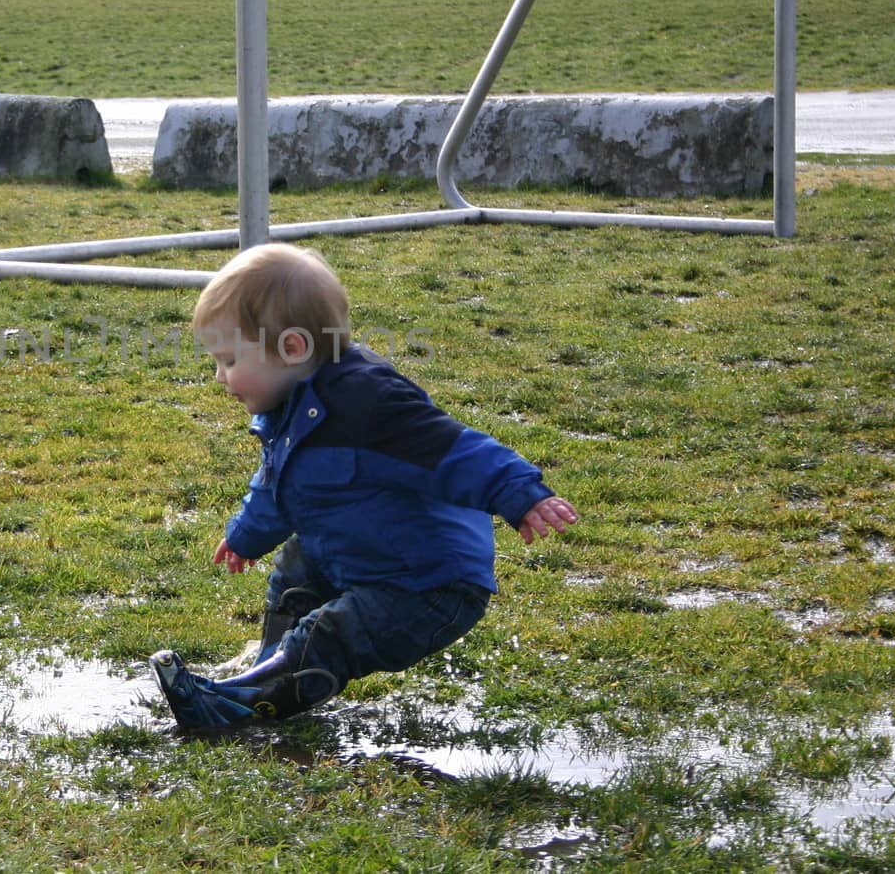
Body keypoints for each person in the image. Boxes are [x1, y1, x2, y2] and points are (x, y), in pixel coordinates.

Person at [149, 242, 577, 729]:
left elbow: (457, 451)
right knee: (296, 569)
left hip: (427, 584)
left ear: (292, 348)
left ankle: (246, 705)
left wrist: (521, 495)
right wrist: (246, 534)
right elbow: (277, 485)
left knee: (327, 636)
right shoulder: (287, 404)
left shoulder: (370, 402)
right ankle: (268, 670)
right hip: (367, 558)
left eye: (228, 360)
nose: (220, 376)